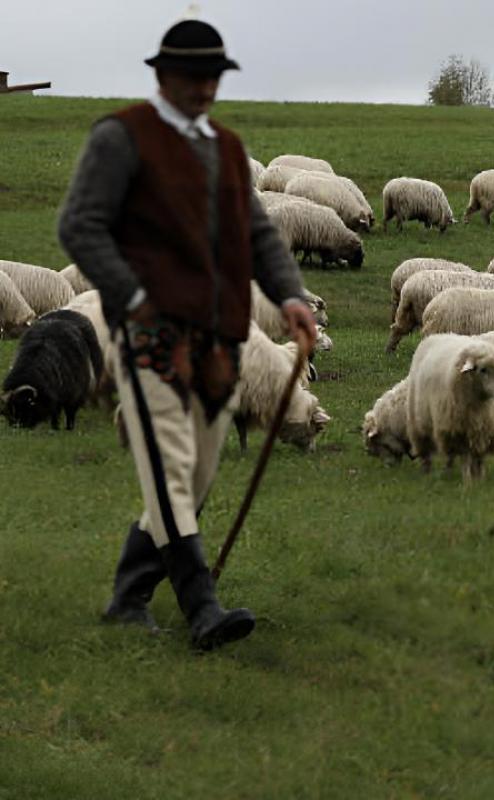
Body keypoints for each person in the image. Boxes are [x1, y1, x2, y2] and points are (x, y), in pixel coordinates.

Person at [58, 18, 317, 650]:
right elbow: (81, 225)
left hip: (221, 341)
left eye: (213, 77)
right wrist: (135, 297)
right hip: (150, 338)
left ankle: (128, 598)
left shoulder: (226, 148)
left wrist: (290, 295)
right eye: (193, 76)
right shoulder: (122, 138)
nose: (204, 88)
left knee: (196, 479)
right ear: (162, 75)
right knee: (171, 469)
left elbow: (258, 233)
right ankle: (203, 610)